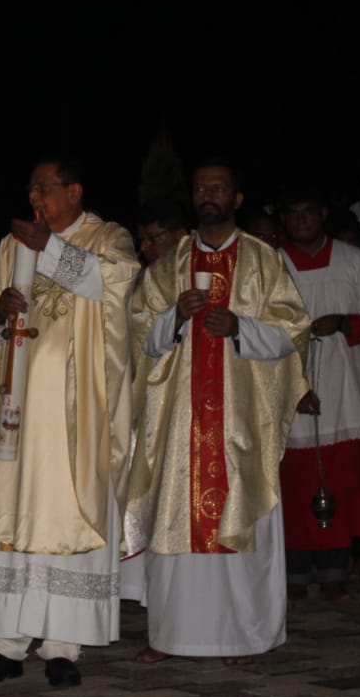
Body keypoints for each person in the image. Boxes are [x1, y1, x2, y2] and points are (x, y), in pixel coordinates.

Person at [127, 161, 309, 666]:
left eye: (219, 188)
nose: (209, 195)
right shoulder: (170, 263)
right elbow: (139, 332)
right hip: (180, 422)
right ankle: (171, 635)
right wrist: (173, 318)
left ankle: (244, 638)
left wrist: (241, 328)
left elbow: (294, 331)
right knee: (176, 516)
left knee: (241, 519)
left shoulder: (264, 260)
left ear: (237, 198)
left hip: (240, 421)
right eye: (201, 188)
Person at [0, 159, 137, 688]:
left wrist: (50, 249)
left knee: (67, 514)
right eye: (31, 187)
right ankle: (5, 644)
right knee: (13, 513)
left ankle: (64, 646)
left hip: (75, 417)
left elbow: (114, 285)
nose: (34, 196)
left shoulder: (109, 238)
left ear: (75, 190)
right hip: (18, 414)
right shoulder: (11, 245)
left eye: (44, 187)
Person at [276, 187, 360, 602]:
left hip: (344, 388)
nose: (301, 220)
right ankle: (292, 573)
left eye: (308, 211)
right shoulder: (272, 265)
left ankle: (333, 571)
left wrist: (346, 322)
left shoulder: (352, 260)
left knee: (340, 484)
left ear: (323, 213)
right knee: (294, 486)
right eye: (293, 213)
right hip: (291, 387)